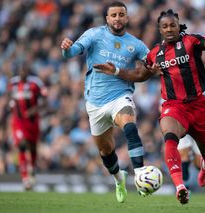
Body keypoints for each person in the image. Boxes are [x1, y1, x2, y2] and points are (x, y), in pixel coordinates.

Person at [94, 9, 205, 204]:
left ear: (178, 25)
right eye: (164, 26)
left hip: (199, 105)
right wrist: (115, 70)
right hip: (174, 107)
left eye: (172, 25)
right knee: (169, 138)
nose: (169, 29)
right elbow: (140, 75)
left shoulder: (191, 41)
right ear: (160, 29)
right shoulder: (156, 53)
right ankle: (180, 186)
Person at [60, 1, 150, 203]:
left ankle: (140, 173)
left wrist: (157, 67)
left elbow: (150, 64)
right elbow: (73, 51)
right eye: (114, 15)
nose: (117, 18)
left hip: (120, 96)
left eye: (121, 14)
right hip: (95, 102)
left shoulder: (136, 44)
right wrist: (67, 49)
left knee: (129, 123)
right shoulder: (94, 34)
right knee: (105, 151)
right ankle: (119, 179)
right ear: (107, 18)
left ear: (127, 18)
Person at [8, 62, 47, 190]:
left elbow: (44, 100)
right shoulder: (13, 84)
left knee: (32, 147)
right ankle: (25, 178)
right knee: (22, 145)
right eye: (21, 70)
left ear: (28, 71)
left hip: (32, 121)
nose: (23, 73)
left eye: (25, 70)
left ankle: (33, 168)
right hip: (18, 121)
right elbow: (9, 98)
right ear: (18, 72)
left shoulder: (36, 83)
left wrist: (34, 109)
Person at [178, 81, 205, 189]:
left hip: (199, 122)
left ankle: (198, 179)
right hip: (183, 120)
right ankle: (184, 185)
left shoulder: (203, 82)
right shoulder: (173, 79)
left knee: (198, 161)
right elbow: (161, 104)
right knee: (183, 153)